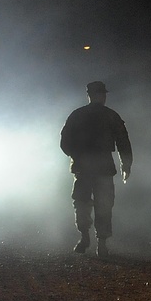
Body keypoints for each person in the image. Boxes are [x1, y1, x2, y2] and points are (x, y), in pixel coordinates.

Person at [60, 81, 133, 258]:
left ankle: (84, 237)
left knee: (82, 203)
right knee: (104, 205)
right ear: (102, 95)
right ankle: (102, 243)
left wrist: (76, 156)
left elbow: (64, 142)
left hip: (83, 168)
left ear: (89, 95)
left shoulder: (77, 115)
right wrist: (126, 164)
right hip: (103, 167)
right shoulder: (111, 116)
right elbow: (123, 141)